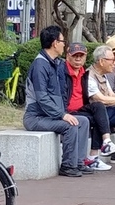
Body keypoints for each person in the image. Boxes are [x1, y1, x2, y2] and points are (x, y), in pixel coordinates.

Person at [22, 26, 92, 178]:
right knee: (70, 125)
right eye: (62, 41)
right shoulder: (40, 65)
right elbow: (42, 98)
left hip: (48, 116)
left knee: (84, 121)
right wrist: (62, 115)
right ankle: (67, 165)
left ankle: (79, 162)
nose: (64, 45)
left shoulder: (55, 63)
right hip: (35, 118)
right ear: (55, 43)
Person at [60, 43, 115, 170]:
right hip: (67, 111)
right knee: (97, 113)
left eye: (81, 56)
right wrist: (62, 113)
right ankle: (93, 157)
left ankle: (102, 147)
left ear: (85, 57)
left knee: (98, 108)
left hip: (81, 108)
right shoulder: (63, 72)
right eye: (75, 56)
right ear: (68, 56)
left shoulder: (83, 73)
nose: (78, 58)